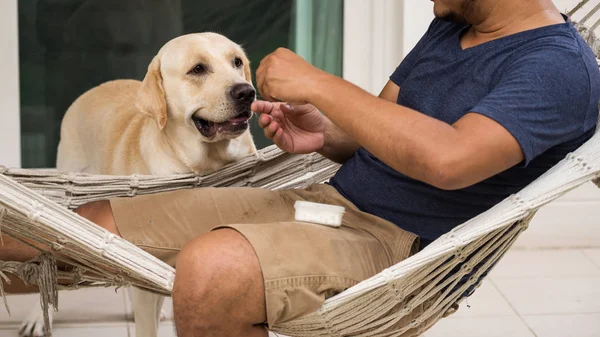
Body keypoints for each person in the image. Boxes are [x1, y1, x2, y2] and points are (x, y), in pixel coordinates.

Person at [2, 0, 599, 336]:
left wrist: (322, 84)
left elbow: (447, 161)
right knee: (67, 227)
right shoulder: (451, 28)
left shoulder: (556, 70)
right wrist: (327, 133)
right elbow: (384, 134)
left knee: (212, 268)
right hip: (326, 201)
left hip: (400, 246)